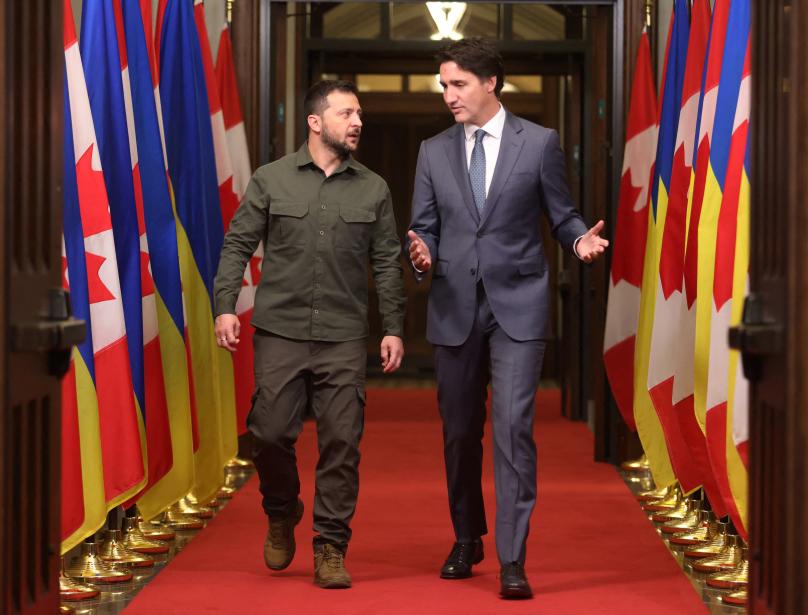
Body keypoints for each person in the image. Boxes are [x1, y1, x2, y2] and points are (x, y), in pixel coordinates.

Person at [406, 39, 608, 599]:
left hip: (518, 305)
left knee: (515, 432)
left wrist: (577, 244)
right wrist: (419, 252)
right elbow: (423, 226)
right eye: (443, 84)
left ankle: (513, 558)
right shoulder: (432, 151)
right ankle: (467, 537)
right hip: (453, 309)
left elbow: (562, 214)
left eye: (458, 84)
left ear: (491, 82)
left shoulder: (539, 143)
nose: (448, 95)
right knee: (461, 433)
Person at [214, 80, 406, 589]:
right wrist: (225, 307)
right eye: (347, 113)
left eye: (360, 112)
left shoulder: (374, 188)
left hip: (344, 335)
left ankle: (330, 546)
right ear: (315, 122)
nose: (358, 121)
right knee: (270, 433)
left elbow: (388, 262)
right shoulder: (272, 179)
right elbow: (237, 245)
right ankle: (282, 509)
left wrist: (393, 328)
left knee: (342, 442)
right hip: (280, 330)